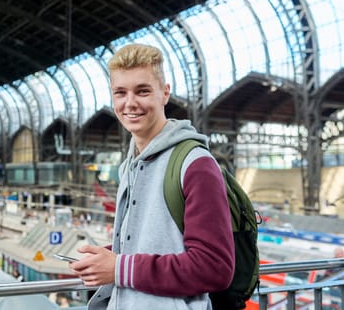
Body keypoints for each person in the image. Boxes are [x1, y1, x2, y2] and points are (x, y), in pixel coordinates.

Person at [70, 43, 235, 310]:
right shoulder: (130, 165)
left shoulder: (196, 165)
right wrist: (107, 259)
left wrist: (119, 267)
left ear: (165, 93)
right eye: (120, 93)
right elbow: (154, 246)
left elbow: (214, 267)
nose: (130, 103)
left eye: (143, 91)